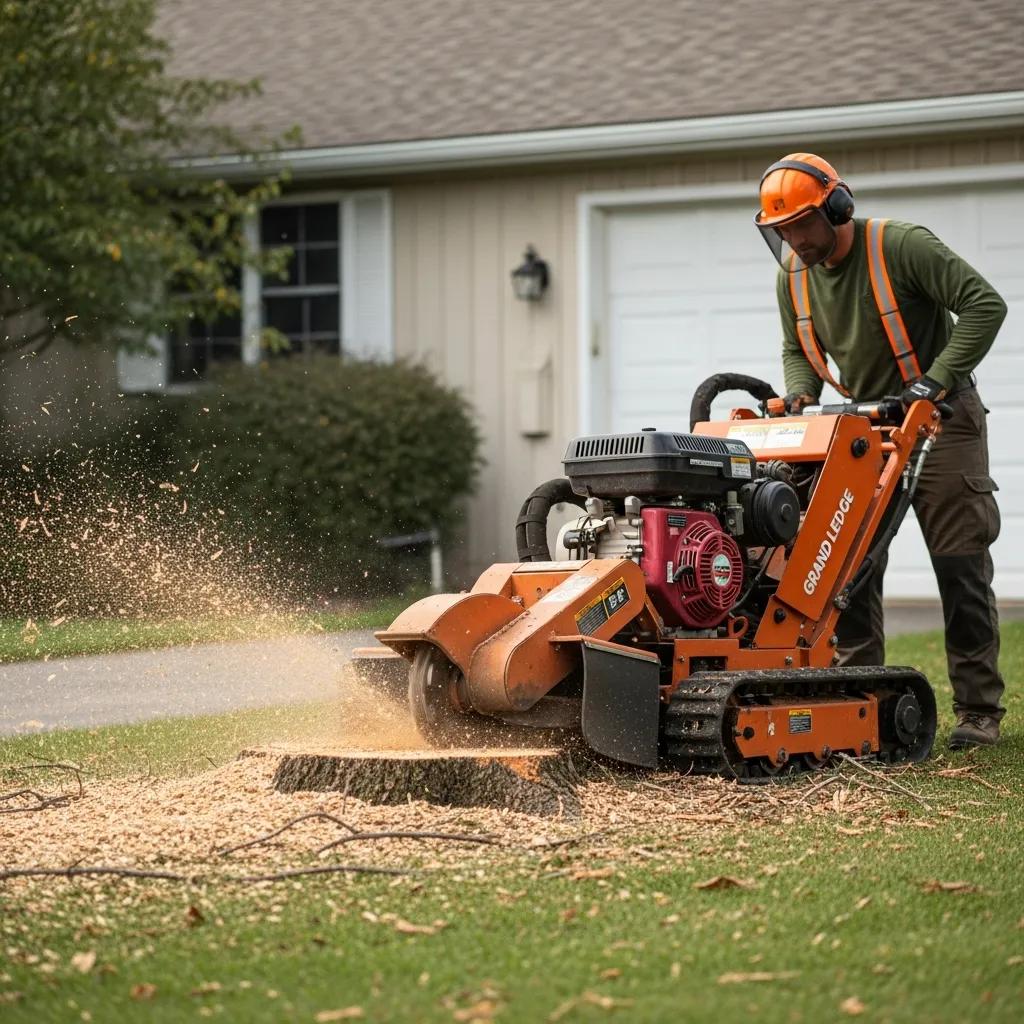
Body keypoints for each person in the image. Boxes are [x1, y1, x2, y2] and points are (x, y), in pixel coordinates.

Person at [754, 152, 1008, 750]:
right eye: (782, 231)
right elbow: (797, 346)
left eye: (802, 226)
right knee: (848, 569)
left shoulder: (900, 246)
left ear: (838, 207)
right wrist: (798, 393)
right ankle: (858, 701)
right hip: (863, 427)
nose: (794, 241)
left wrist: (936, 378)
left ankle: (978, 711)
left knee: (959, 563)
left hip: (942, 417)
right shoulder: (792, 273)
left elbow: (984, 305)